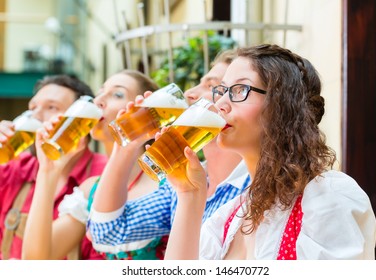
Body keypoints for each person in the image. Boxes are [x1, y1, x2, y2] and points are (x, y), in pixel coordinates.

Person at [164, 44, 376, 260]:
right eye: (222, 90)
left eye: (240, 90)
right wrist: (190, 196)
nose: (220, 103)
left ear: (283, 105)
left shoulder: (328, 198)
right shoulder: (229, 218)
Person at [87, 49, 249, 249]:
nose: (190, 93)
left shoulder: (258, 188)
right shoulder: (183, 183)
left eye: (212, 85)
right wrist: (126, 147)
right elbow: (107, 232)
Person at [22, 70, 163, 260]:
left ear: (147, 115)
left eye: (117, 94)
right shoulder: (91, 190)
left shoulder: (169, 181)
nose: (98, 101)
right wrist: (48, 171)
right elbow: (35, 262)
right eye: (100, 93)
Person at [0, 75, 107, 260]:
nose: (36, 116)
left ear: (80, 119)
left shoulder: (103, 175)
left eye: (51, 107)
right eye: (32, 108)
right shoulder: (15, 168)